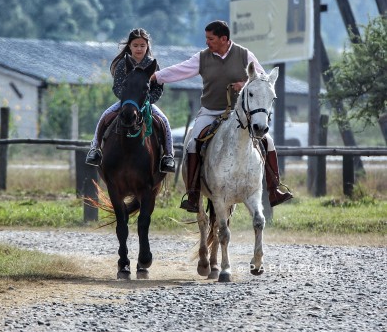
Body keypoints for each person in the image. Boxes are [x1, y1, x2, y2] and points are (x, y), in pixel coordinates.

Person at [150, 19, 293, 211]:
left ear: (224, 39)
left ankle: (274, 189)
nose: (207, 42)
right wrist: (157, 76)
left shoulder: (244, 55)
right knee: (193, 143)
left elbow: (263, 81)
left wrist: (244, 85)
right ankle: (193, 194)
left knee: (268, 141)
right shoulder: (202, 57)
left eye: (211, 38)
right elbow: (180, 70)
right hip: (210, 111)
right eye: (206, 38)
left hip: (240, 114)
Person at [86, 27, 176, 173]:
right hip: (127, 103)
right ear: (129, 46)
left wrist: (149, 100)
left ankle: (168, 156)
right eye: (135, 45)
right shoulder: (123, 64)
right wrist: (127, 99)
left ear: (147, 46)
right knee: (104, 117)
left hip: (146, 104)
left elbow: (158, 88)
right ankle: (95, 149)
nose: (139, 49)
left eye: (142, 45)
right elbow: (117, 87)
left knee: (164, 121)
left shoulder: (153, 64)